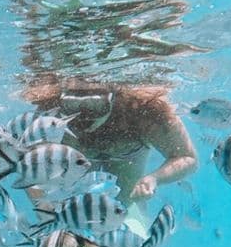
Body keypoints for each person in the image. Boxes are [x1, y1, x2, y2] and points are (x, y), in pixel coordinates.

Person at [23, 74, 198, 207]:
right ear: (62, 100)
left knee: (122, 205)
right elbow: (30, 168)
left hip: (129, 157)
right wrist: (48, 215)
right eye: (73, 106)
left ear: (114, 97)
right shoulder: (50, 114)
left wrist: (154, 179)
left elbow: (187, 158)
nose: (84, 118)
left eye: (95, 107)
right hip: (76, 159)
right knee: (73, 208)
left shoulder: (145, 109)